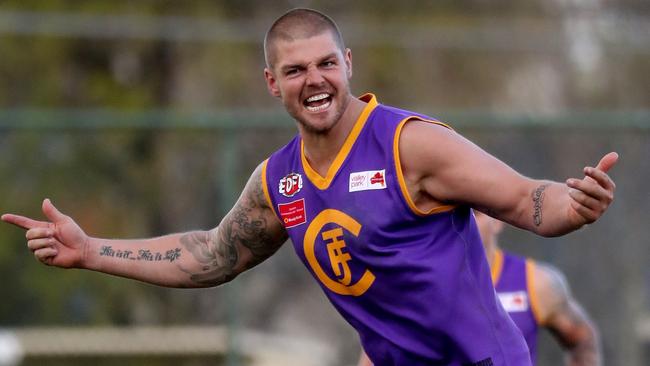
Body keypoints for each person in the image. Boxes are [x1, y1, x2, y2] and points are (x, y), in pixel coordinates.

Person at [2, 8, 617, 366]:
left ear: (348, 63)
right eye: (296, 70)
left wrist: (576, 203)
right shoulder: (279, 181)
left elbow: (527, 199)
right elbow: (212, 256)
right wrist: (91, 251)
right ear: (273, 83)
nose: (315, 80)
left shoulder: (411, 145)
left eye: (326, 64)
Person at [357, 210, 603, 366]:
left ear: (498, 220)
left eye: (476, 213)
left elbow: (582, 340)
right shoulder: (414, 289)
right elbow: (376, 356)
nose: (467, 221)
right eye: (458, 213)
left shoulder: (534, 283)